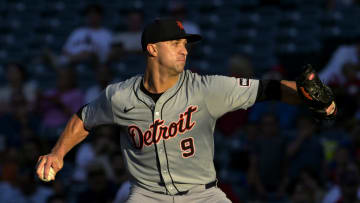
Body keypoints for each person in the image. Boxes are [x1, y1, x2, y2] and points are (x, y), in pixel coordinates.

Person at [36, 18, 336, 203]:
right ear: (152, 49)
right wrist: (58, 153)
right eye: (176, 43)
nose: (185, 49)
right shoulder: (119, 95)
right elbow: (83, 118)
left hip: (203, 194)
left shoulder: (206, 88)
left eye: (185, 44)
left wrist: (318, 102)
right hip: (147, 196)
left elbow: (269, 89)